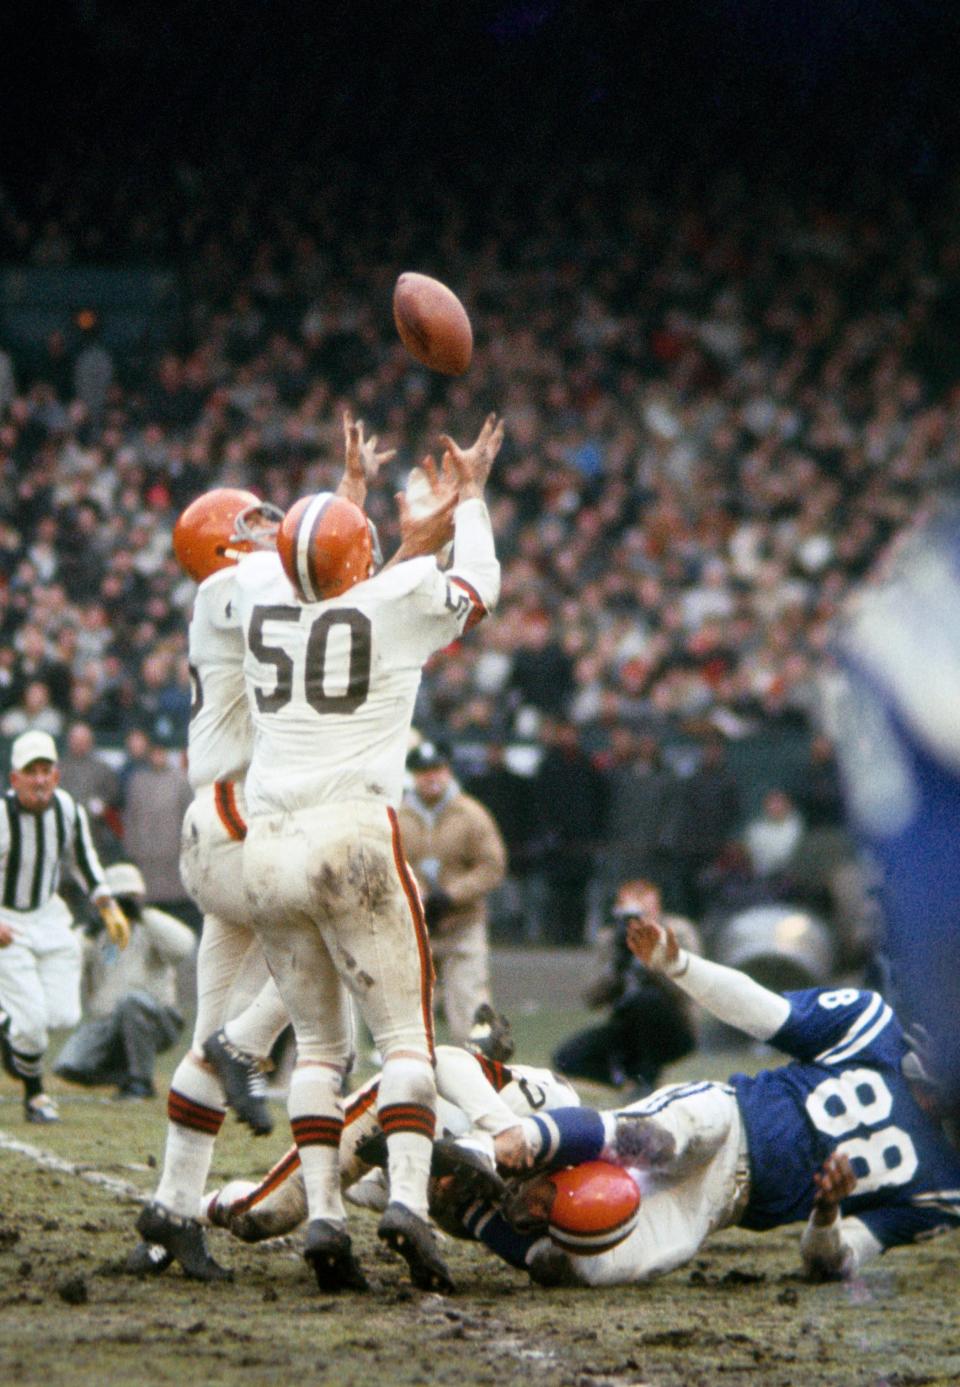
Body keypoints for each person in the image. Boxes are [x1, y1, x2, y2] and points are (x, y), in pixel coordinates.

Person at [133, 414, 461, 1282]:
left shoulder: (239, 592)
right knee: (320, 936)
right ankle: (246, 1043)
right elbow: (343, 586)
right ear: (217, 545)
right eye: (247, 521)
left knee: (207, 1030)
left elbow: (324, 573)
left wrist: (350, 492)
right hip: (249, 817)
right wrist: (387, 513)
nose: (264, 522)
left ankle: (168, 1209)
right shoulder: (233, 588)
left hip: (224, 820)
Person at [235, 412, 503, 1294]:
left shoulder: (258, 601)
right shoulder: (390, 604)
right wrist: (473, 496)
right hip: (351, 835)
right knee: (405, 1040)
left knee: (316, 1048)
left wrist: (348, 492)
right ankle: (410, 1207)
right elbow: (478, 583)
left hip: (267, 846)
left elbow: (325, 568)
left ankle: (322, 1216)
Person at [458, 910, 960, 1288]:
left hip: (723, 1203)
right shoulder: (870, 1026)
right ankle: (494, 1147)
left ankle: (463, 1205)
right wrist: (680, 965)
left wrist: (827, 1210)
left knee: (593, 1268)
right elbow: (762, 1012)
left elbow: (831, 1262)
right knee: (652, 1137)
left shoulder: (942, 1188)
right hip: (728, 1117)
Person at [198, 1042, 578, 1247]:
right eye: (545, 1201)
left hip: (407, 1157)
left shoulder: (504, 1215)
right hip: (400, 1098)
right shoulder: (548, 1114)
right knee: (273, 1210)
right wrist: (499, 1128)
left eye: (542, 1219)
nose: (533, 1212)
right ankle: (185, 1212)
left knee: (261, 1221)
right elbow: (442, 1060)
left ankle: (480, 1047)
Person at [0, 729, 129, 1123]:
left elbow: (84, 860)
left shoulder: (66, 809)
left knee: (64, 1015)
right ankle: (36, 1096)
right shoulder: (2, 815)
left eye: (45, 770)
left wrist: (107, 903)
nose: (39, 779)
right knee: (33, 1026)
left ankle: (6, 1023)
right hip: (8, 922)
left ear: (56, 775)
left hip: (49, 916)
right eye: (30, 771)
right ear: (14, 778)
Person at [53, 861, 196, 1099]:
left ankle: (141, 1082)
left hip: (156, 1018)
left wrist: (142, 915)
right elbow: (66, 962)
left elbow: (183, 947)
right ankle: (128, 1076)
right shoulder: (98, 932)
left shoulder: (151, 924)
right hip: (108, 1022)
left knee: (131, 1002)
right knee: (69, 1065)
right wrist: (90, 931)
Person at [398, 738, 507, 1044]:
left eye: (436, 769)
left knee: (471, 1009)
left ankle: (482, 1072)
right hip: (414, 926)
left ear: (447, 771)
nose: (431, 777)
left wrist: (452, 895)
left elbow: (492, 866)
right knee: (409, 1014)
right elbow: (387, 863)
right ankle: (412, 1077)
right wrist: (413, 892)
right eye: (423, 771)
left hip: (462, 922)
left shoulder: (471, 814)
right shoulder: (398, 816)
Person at [552, 879, 700, 1097]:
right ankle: (627, 1080)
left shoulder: (677, 932)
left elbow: (689, 987)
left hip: (673, 1026)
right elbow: (591, 998)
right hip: (626, 1027)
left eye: (642, 915)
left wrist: (652, 958)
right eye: (629, 915)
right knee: (566, 1058)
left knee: (647, 1000)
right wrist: (617, 963)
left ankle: (647, 1080)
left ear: (656, 911)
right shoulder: (611, 938)